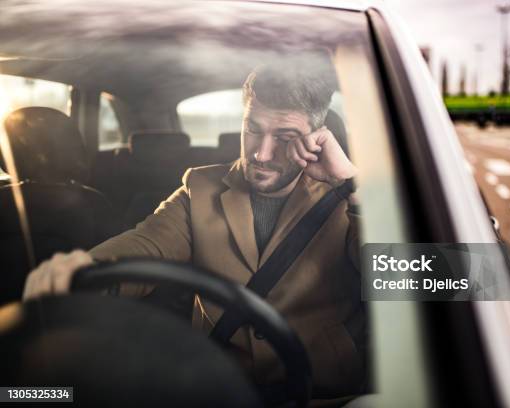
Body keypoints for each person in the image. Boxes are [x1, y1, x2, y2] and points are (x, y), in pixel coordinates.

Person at [22, 59, 365, 400]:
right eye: (252, 129)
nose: (261, 153)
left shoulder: (351, 198)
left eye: (285, 137)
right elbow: (145, 245)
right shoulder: (199, 187)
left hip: (324, 397)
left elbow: (408, 288)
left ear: (317, 137)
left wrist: (351, 185)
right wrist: (81, 273)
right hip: (220, 392)